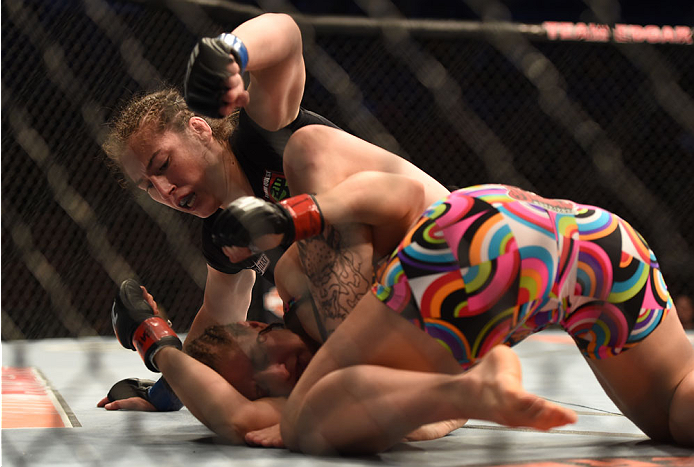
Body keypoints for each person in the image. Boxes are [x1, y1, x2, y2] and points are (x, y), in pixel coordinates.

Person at [98, 12, 450, 411]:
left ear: (199, 129)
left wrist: (228, 53)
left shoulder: (262, 133)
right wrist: (165, 392)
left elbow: (286, 35)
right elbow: (218, 318)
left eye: (163, 165)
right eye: (148, 186)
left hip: (447, 239)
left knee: (308, 154)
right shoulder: (222, 235)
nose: (163, 189)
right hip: (421, 316)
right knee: (289, 316)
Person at [209, 173, 693, 451]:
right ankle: (482, 379)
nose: (275, 373)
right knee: (677, 412)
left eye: (258, 359)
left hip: (478, 235)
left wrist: (301, 214)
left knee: (303, 425)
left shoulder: (299, 282)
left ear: (258, 323)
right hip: (600, 242)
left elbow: (397, 194)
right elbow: (234, 417)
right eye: (260, 387)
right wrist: (156, 345)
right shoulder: (379, 375)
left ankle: (475, 385)